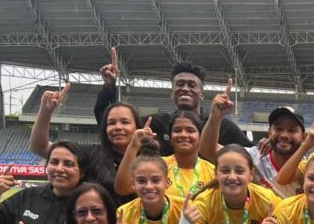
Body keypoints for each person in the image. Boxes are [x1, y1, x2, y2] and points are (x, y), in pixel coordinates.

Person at [95, 51, 251, 151]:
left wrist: (267, 142)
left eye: (191, 85)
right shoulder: (156, 124)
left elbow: (253, 154)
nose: (185, 88)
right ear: (172, 93)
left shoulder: (222, 126)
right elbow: (109, 122)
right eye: (179, 84)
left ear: (202, 95)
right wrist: (109, 88)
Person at [28, 82, 139, 197]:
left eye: (125, 122)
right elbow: (40, 147)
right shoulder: (92, 153)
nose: (118, 127)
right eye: (111, 123)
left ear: (137, 126)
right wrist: (46, 112)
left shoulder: (150, 158)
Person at [200, 93, 307, 199]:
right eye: (278, 129)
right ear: (269, 133)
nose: (284, 135)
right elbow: (208, 150)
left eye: (292, 130)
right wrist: (215, 117)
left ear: (303, 137)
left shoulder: (308, 168)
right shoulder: (252, 157)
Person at [115, 113, 214, 204]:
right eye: (177, 130)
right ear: (170, 137)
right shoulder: (157, 166)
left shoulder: (213, 171)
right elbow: (122, 189)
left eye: (190, 130)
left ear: (200, 136)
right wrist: (133, 146)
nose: (183, 135)